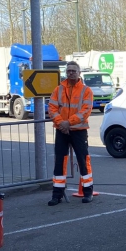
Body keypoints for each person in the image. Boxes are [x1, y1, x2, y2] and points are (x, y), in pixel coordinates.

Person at [48, 61, 95, 205]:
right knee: (59, 162)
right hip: (62, 130)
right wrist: (61, 123)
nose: (71, 73)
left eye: (74, 71)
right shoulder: (58, 89)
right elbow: (52, 108)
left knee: (83, 161)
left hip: (79, 131)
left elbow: (85, 111)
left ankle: (88, 192)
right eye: (69, 71)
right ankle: (57, 195)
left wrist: (68, 122)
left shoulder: (86, 90)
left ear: (79, 73)